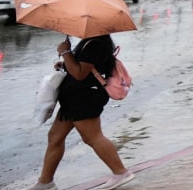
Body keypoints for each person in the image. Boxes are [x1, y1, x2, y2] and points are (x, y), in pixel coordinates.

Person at [29, 35, 135, 190]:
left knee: (92, 137)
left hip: (84, 98)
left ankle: (121, 172)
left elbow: (80, 74)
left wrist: (65, 52)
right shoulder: (93, 41)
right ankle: (45, 182)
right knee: (55, 136)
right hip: (74, 98)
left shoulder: (95, 44)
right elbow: (86, 67)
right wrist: (66, 64)